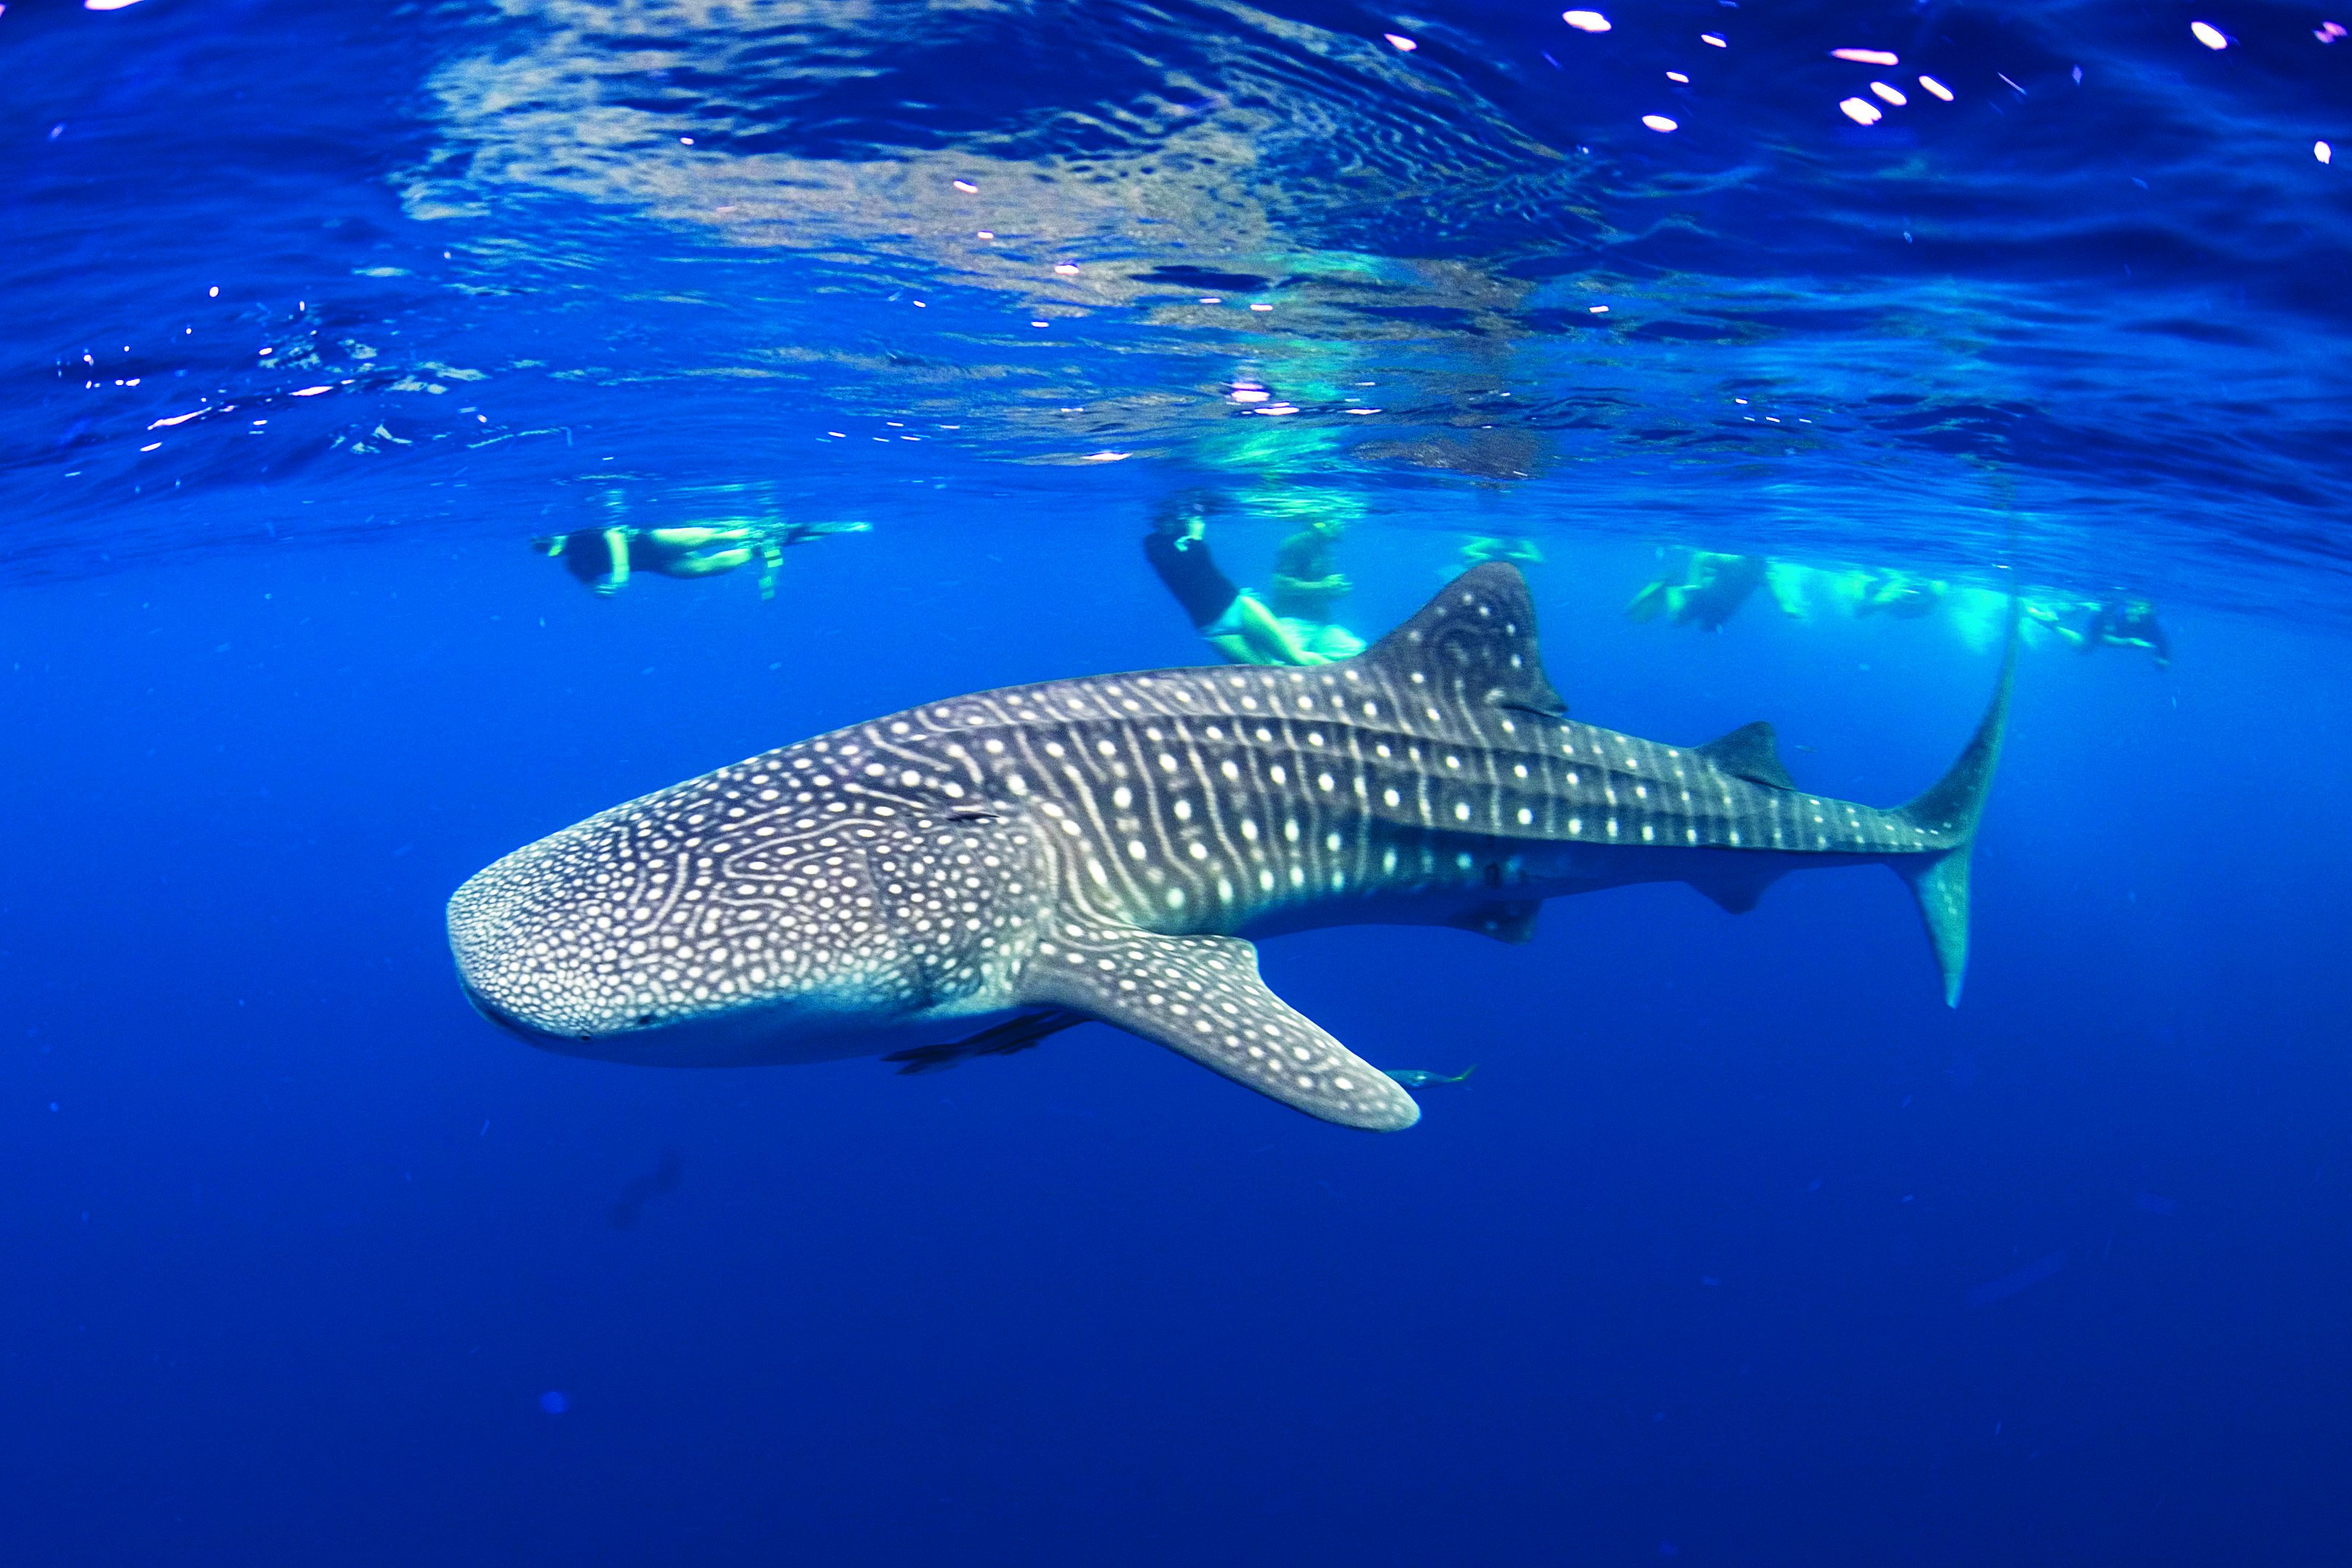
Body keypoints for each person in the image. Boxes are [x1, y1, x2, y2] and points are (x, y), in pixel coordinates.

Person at [1142, 495, 1324, 666]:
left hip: (1238, 605)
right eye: (1162, 520)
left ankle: (1342, 676)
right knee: (1269, 670)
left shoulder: (1186, 528)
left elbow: (1201, 561)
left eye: (1171, 519)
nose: (1167, 523)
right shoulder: (1154, 544)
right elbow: (1184, 566)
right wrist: (1196, 537)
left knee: (1298, 658)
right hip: (1214, 628)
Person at [534, 517, 866, 599]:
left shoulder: (579, 536)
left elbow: (615, 535)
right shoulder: (572, 562)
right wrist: (599, 591)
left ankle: (776, 531)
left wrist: (619, 576)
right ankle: (758, 548)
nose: (556, 548)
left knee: (716, 535)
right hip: (653, 564)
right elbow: (592, 586)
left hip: (651, 542)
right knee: (702, 569)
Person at [1267, 510, 1366, 660]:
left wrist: (1334, 591)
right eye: (1338, 520)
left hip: (1320, 622)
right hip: (1291, 621)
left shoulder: (1325, 549)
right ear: (1320, 522)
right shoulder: (1296, 544)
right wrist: (1323, 586)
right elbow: (1280, 584)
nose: (1342, 525)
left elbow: (1319, 587)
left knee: (1359, 654)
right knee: (1280, 664)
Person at [1627, 550, 1804, 631]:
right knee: (1677, 620)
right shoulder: (1734, 561)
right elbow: (1700, 557)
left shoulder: (1765, 573)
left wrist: (1788, 608)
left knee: (1707, 628)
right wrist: (1693, 586)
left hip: (1722, 605)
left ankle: (1677, 587)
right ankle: (1670, 584)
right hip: (1705, 595)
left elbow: (1779, 594)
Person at [2080, 597, 2172, 668]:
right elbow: (2096, 636)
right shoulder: (2114, 614)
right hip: (2100, 622)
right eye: (2133, 610)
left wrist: (2160, 660)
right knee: (2084, 648)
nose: (2134, 613)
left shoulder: (2155, 627)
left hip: (2116, 629)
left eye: (2144, 613)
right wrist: (2125, 642)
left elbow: (2164, 657)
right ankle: (2066, 625)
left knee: (2085, 648)